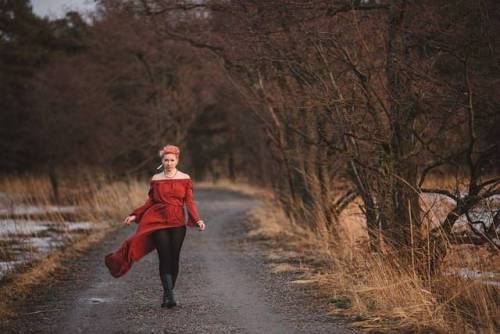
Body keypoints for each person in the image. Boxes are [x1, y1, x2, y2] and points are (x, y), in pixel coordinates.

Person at [104, 144, 205, 309]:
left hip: (177, 222)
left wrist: (197, 219)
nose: (169, 163)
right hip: (157, 220)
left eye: (172, 160)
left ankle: (168, 292)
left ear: (177, 160)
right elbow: (150, 202)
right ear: (162, 160)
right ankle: (169, 296)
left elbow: (189, 202)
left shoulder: (185, 178)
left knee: (174, 258)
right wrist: (135, 214)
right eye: (166, 160)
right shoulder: (156, 179)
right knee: (164, 257)